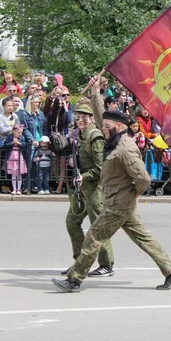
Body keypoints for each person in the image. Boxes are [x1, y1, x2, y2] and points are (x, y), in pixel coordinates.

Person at [52, 109, 171, 293]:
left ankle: (74, 279)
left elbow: (143, 178)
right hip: (118, 200)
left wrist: (133, 193)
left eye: (107, 126)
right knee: (142, 237)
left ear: (119, 126)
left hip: (118, 204)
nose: (103, 129)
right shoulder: (114, 140)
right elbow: (100, 117)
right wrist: (96, 92)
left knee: (93, 237)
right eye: (103, 126)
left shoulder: (125, 147)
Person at [61, 102, 115, 277]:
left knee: (98, 226)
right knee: (72, 222)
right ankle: (79, 262)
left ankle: (106, 264)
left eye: (84, 117)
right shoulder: (80, 135)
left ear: (91, 118)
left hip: (94, 189)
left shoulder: (95, 136)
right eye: (78, 117)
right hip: (81, 187)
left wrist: (85, 175)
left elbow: (101, 168)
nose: (80, 120)